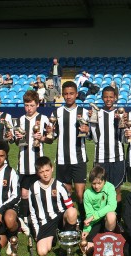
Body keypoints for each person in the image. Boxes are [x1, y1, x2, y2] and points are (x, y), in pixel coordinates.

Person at [50, 81, 89, 222]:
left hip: (79, 158)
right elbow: (52, 136)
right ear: (62, 95)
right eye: (66, 94)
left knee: (79, 194)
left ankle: (84, 219)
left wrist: (88, 131)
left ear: (76, 94)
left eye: (71, 93)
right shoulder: (57, 112)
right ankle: (69, 220)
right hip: (62, 159)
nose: (68, 96)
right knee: (66, 193)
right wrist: (49, 133)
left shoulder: (83, 112)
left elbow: (89, 136)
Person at [14, 90, 53, 229]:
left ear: (37, 104)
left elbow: (50, 139)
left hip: (38, 164)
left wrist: (42, 138)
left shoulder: (43, 119)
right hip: (23, 164)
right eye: (26, 105)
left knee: (39, 192)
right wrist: (16, 137)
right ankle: (24, 220)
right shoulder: (19, 120)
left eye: (31, 105)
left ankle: (40, 216)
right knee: (24, 193)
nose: (29, 108)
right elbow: (15, 141)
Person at [28, 156, 78, 256]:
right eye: (41, 172)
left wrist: (76, 225)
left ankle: (67, 238)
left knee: (72, 211)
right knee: (42, 252)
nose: (45, 174)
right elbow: (32, 212)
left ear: (52, 169)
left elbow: (70, 206)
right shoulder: (33, 188)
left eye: (47, 170)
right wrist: (37, 233)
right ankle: (55, 237)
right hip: (45, 222)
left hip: (60, 219)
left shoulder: (60, 186)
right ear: (38, 173)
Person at [90, 86, 125, 218]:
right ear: (102, 97)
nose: (108, 99)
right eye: (105, 96)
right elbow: (93, 137)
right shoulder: (97, 113)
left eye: (111, 96)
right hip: (100, 158)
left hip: (117, 157)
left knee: (116, 190)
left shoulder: (120, 113)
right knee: (100, 190)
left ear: (115, 97)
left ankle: (117, 219)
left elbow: (123, 137)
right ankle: (101, 218)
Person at [81, 166, 117, 248]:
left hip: (107, 221)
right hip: (95, 222)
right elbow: (89, 214)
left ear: (104, 180)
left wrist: (94, 216)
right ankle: (99, 244)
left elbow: (112, 206)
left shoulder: (110, 187)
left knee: (111, 215)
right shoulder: (87, 193)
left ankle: (109, 240)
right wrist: (86, 230)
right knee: (87, 248)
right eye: (93, 183)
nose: (96, 186)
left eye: (99, 183)